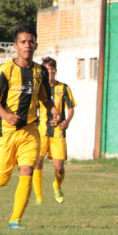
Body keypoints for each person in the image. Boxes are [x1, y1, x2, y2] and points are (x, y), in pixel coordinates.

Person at [0, 25, 60, 230]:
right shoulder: (4, 71)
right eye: (23, 42)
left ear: (36, 45)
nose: (27, 45)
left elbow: (46, 99)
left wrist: (54, 112)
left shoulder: (40, 72)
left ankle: (15, 220)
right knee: (3, 177)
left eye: (31, 41)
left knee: (27, 169)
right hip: (5, 130)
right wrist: (5, 115)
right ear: (15, 46)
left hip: (30, 129)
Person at [32, 57, 76, 204]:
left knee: (59, 167)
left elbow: (71, 109)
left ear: (55, 70)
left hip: (58, 132)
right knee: (37, 162)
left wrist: (67, 121)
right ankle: (39, 197)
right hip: (41, 131)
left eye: (52, 69)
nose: (50, 72)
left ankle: (57, 186)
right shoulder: (37, 89)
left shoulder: (63, 88)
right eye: (47, 69)